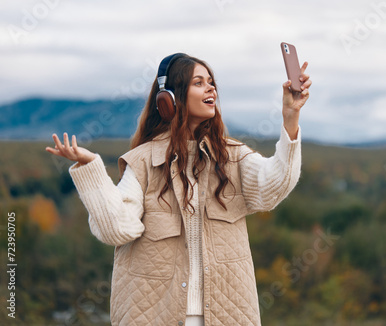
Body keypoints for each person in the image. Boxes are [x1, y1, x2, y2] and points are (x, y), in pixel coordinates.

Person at [45, 53, 311, 326]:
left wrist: (291, 117)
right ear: (169, 100)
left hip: (226, 317)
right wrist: (91, 169)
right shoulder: (144, 162)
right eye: (199, 82)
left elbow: (273, 186)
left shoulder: (232, 157)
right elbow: (117, 228)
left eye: (211, 82)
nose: (211, 88)